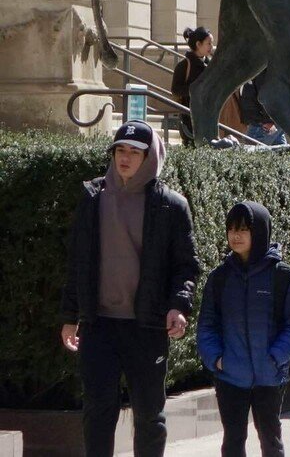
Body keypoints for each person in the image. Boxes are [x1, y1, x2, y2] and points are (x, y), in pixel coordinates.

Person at [59, 120, 199, 457]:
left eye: (134, 152)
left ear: (149, 157)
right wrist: (69, 315)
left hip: (146, 326)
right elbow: (78, 260)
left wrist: (178, 306)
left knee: (150, 415)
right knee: (97, 411)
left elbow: (187, 266)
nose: (125, 158)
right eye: (120, 150)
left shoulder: (171, 205)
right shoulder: (93, 197)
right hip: (99, 325)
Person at [197, 201, 290, 457]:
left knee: (271, 440)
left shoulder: (282, 276)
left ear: (258, 232)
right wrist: (217, 359)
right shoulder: (220, 278)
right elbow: (207, 325)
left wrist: (274, 358)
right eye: (231, 229)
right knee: (233, 441)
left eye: (244, 229)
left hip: (269, 377)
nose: (235, 236)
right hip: (230, 376)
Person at [172, 26, 213, 143]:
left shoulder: (211, 65)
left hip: (209, 116)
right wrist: (196, 89)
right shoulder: (184, 65)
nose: (211, 47)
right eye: (208, 43)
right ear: (198, 44)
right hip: (189, 118)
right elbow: (176, 90)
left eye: (212, 43)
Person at [240, 76, 286, 146]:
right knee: (280, 151)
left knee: (252, 152)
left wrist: (268, 120)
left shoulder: (262, 70)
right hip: (273, 119)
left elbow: (266, 94)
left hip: (262, 122)